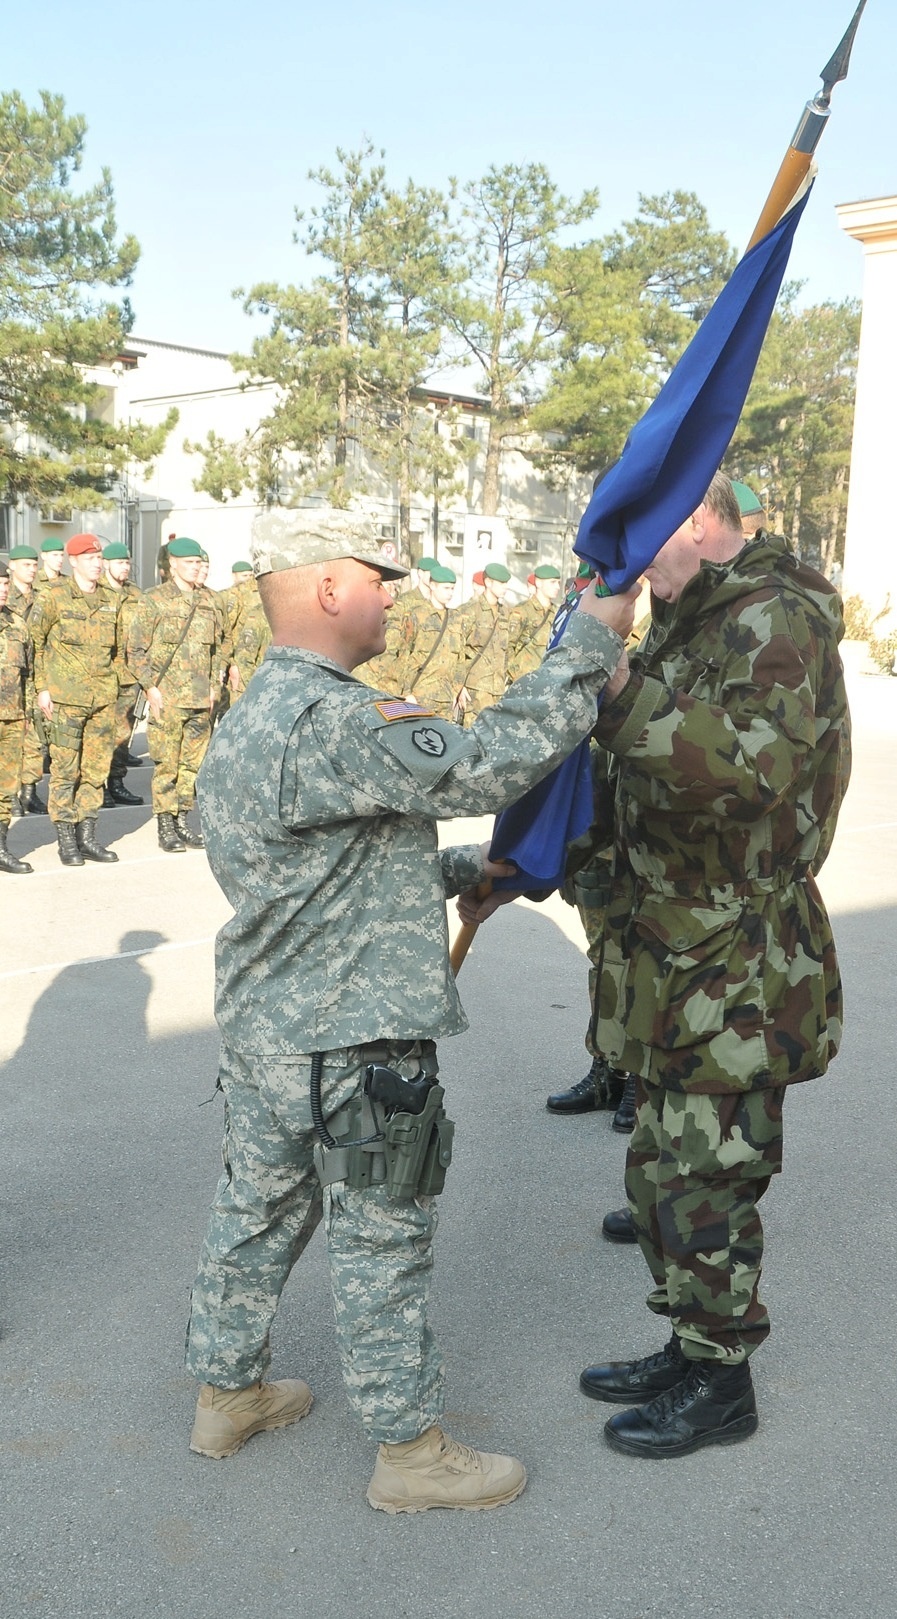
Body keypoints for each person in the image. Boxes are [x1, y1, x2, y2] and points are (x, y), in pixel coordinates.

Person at [184, 505, 635, 1513]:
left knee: (256, 1212)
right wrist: (589, 646)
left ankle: (227, 1389)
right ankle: (410, 1451)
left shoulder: (254, 715)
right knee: (382, 1241)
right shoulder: (344, 717)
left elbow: (320, 870)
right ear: (329, 587)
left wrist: (470, 868)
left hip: (268, 1031)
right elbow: (486, 762)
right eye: (377, 576)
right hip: (356, 1047)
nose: (393, 593)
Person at [463, 471, 850, 1457]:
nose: (617, 576)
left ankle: (723, 1378)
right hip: (670, 948)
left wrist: (623, 689)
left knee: (709, 1182)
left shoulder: (775, 620)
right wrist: (542, 860)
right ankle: (687, 1342)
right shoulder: (695, 613)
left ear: (689, 518)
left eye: (631, 550)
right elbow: (640, 788)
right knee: (658, 1172)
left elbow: (750, 773)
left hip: (739, 964)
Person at [30, 533, 122, 865]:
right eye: (89, 559)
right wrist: (42, 688)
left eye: (99, 558)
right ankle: (66, 839)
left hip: (102, 700)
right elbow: (34, 644)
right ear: (73, 562)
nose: (97, 564)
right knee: (66, 771)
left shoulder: (111, 599)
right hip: (65, 701)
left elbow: (120, 650)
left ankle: (88, 837)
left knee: (96, 771)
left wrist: (117, 687)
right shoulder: (53, 597)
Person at [127, 536, 220, 853]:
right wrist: (149, 687)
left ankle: (182, 821)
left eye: (198, 563)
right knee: (167, 766)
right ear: (173, 565)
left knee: (191, 768)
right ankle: (165, 826)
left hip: (199, 700)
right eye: (190, 563)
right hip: (167, 698)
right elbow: (135, 650)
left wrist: (214, 685)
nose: (196, 568)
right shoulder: (154, 600)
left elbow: (218, 650)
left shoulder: (208, 601)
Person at [5, 545, 48, 815]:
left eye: (34, 565)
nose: (31, 570)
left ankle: (29, 793)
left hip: (33, 678)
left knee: (35, 742)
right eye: (25, 565)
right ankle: (10, 796)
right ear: (12, 568)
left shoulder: (43, 598)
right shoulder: (6, 600)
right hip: (9, 681)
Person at [101, 543, 145, 806]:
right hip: (102, 676)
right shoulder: (97, 592)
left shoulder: (136, 595)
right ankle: (97, 786)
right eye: (119, 563)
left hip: (129, 676)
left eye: (127, 563)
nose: (124, 567)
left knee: (123, 732)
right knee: (101, 734)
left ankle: (116, 782)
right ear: (106, 564)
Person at [0, 559, 36, 874]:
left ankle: (0, 847)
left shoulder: (17, 624)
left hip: (12, 719)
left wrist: (27, 712)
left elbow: (29, 673)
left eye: (4, 584)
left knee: (5, 786)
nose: (2, 590)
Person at [456, 561, 512, 724]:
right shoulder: (469, 610)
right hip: (475, 690)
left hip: (498, 690)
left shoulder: (505, 612)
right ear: (488, 583)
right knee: (471, 739)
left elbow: (506, 650)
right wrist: (459, 686)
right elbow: (458, 650)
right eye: (501, 583)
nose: (505, 587)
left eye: (506, 583)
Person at [506, 564, 562, 683]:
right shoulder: (522, 611)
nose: (557, 587)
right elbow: (507, 645)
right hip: (524, 680)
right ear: (538, 583)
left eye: (558, 583)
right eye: (552, 582)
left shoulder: (557, 613)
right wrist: (515, 674)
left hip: (547, 680)